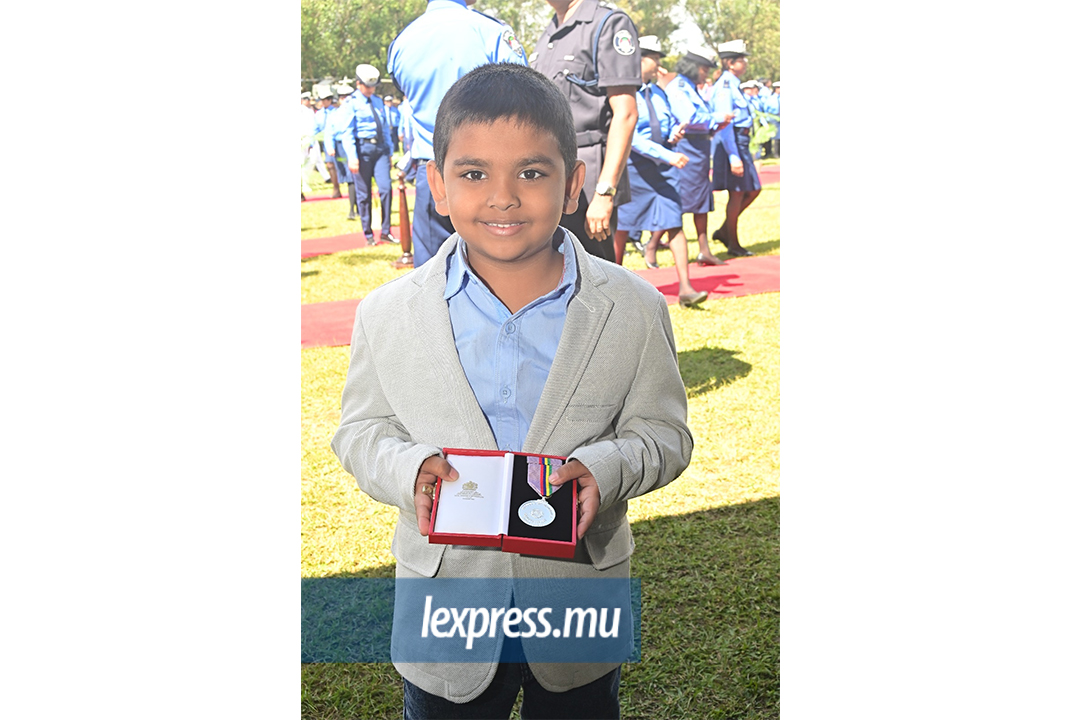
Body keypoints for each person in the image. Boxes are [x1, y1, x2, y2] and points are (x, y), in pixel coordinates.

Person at [331, 62, 692, 720]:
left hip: (579, 598)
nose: (503, 197)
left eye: (531, 172)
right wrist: (409, 470)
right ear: (437, 186)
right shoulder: (386, 314)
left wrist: (605, 469)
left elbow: (666, 435)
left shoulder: (633, 309)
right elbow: (359, 431)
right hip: (444, 609)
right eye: (473, 174)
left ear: (574, 183)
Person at [388, 0, 529, 267]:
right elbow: (525, 97)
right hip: (489, 172)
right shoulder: (489, 31)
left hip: (430, 172)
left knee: (433, 280)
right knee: (501, 272)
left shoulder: (403, 40)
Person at [532, 0, 640, 264]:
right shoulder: (549, 33)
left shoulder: (608, 23)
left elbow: (625, 113)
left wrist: (604, 192)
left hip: (589, 173)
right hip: (547, 172)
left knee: (594, 277)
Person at [612, 35, 709, 306]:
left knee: (674, 223)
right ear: (639, 59)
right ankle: (615, 291)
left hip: (663, 167)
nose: (658, 65)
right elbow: (630, 135)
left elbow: (662, 126)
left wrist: (672, 136)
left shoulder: (658, 92)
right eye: (654, 58)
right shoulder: (624, 92)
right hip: (634, 167)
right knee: (623, 227)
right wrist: (667, 154)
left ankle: (686, 289)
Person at [664, 46, 732, 266]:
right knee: (685, 199)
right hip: (687, 147)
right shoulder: (679, 87)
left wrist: (714, 125)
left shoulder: (691, 88)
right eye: (703, 69)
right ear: (692, 67)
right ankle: (653, 245)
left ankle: (704, 249)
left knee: (701, 199)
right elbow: (689, 117)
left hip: (700, 147)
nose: (705, 74)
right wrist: (717, 116)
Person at [711, 39, 760, 257]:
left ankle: (725, 231)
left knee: (751, 190)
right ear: (730, 63)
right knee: (738, 193)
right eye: (741, 60)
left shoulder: (733, 84)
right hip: (734, 143)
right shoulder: (725, 86)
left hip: (741, 142)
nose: (745, 64)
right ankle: (733, 243)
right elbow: (726, 125)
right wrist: (733, 156)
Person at [341, 64, 395, 244]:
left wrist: (389, 149)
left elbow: (385, 128)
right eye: (367, 86)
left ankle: (386, 231)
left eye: (373, 86)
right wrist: (352, 157)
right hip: (362, 151)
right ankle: (368, 234)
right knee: (364, 195)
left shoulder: (378, 101)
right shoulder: (351, 103)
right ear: (358, 84)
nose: (371, 89)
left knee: (386, 189)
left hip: (380, 150)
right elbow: (347, 132)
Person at [325, 84, 359, 219]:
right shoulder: (335, 114)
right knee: (350, 178)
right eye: (342, 97)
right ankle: (352, 208)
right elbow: (329, 132)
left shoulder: (356, 111)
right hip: (341, 148)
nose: (345, 99)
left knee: (356, 178)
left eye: (347, 97)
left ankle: (357, 207)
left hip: (356, 144)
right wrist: (330, 147)